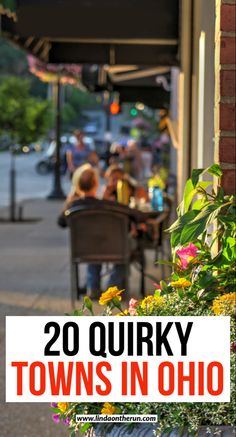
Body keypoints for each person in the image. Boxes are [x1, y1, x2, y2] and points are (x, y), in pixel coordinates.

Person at [58, 164, 141, 298]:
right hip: (114, 249)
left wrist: (69, 201)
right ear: (96, 183)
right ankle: (113, 287)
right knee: (128, 245)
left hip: (84, 250)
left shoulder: (72, 207)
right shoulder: (109, 205)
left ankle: (93, 287)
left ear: (77, 185)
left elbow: (61, 222)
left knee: (93, 244)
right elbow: (137, 215)